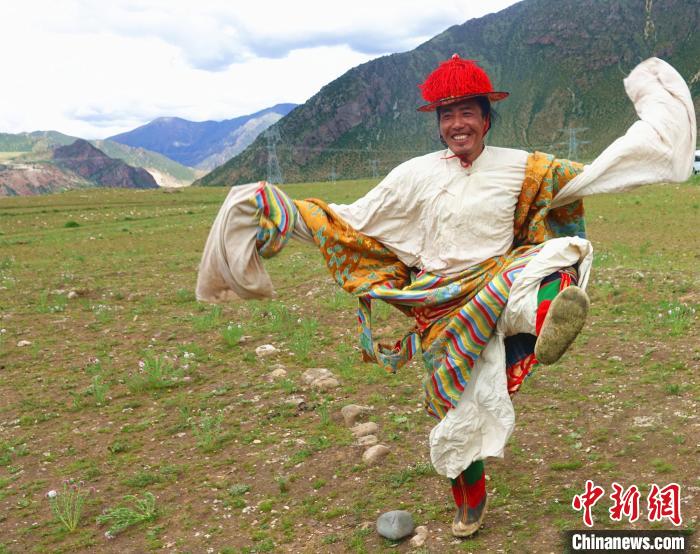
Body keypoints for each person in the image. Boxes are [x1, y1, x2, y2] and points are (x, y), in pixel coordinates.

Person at [196, 54, 695, 538]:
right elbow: (354, 219)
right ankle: (470, 497)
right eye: (447, 114)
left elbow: (597, 174)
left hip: (500, 284)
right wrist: (281, 210)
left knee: (560, 254)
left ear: (486, 118)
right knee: (455, 408)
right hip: (443, 307)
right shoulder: (414, 175)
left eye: (467, 112)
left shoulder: (524, 168)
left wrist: (659, 133)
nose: (458, 124)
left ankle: (548, 316)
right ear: (438, 124)